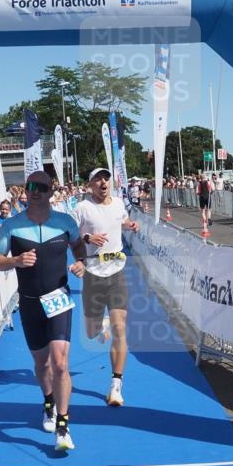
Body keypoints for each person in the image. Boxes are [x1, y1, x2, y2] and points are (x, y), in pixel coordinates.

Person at [0, 171, 86, 451]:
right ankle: (48, 402)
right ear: (25, 191)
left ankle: (63, 427)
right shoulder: (12, 225)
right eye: (31, 186)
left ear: (50, 191)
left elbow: (79, 246)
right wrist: (16, 260)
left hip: (58, 298)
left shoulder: (65, 222)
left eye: (41, 187)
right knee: (42, 364)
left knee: (60, 363)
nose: (35, 191)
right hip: (30, 301)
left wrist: (81, 263)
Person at [72, 168, 141, 407]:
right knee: (91, 333)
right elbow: (69, 235)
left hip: (117, 272)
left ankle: (116, 386)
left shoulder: (119, 203)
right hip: (93, 274)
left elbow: (120, 220)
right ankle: (100, 327)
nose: (104, 182)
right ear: (89, 184)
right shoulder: (82, 208)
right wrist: (88, 239)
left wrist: (129, 224)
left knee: (120, 329)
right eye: (98, 179)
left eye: (106, 178)